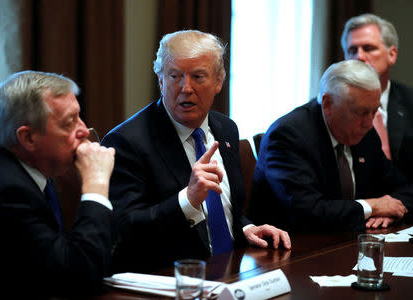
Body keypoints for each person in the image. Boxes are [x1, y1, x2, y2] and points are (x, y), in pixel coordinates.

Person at [101, 30, 290, 273]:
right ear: (160, 81)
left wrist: (244, 229)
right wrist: (187, 199)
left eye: (198, 77)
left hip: (230, 272)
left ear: (219, 81)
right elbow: (124, 230)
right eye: (175, 76)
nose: (185, 88)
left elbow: (222, 209)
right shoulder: (126, 141)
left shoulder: (226, 129)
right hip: (168, 279)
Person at [0, 71, 116, 297]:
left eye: (79, 116)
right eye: (69, 122)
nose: (84, 130)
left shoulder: (22, 169)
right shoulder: (7, 194)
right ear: (28, 138)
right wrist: (96, 184)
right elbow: (79, 277)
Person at [250, 60, 413, 233]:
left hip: (346, 240)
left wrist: (390, 211)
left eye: (374, 111)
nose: (369, 122)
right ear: (327, 104)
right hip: (291, 249)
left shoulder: (365, 133)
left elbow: (404, 188)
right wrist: (371, 207)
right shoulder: (288, 136)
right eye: (361, 112)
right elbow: (307, 211)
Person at [342, 13, 413, 186]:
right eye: (352, 50)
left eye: (368, 48)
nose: (359, 57)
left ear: (392, 55)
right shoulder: (333, 108)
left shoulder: (412, 104)